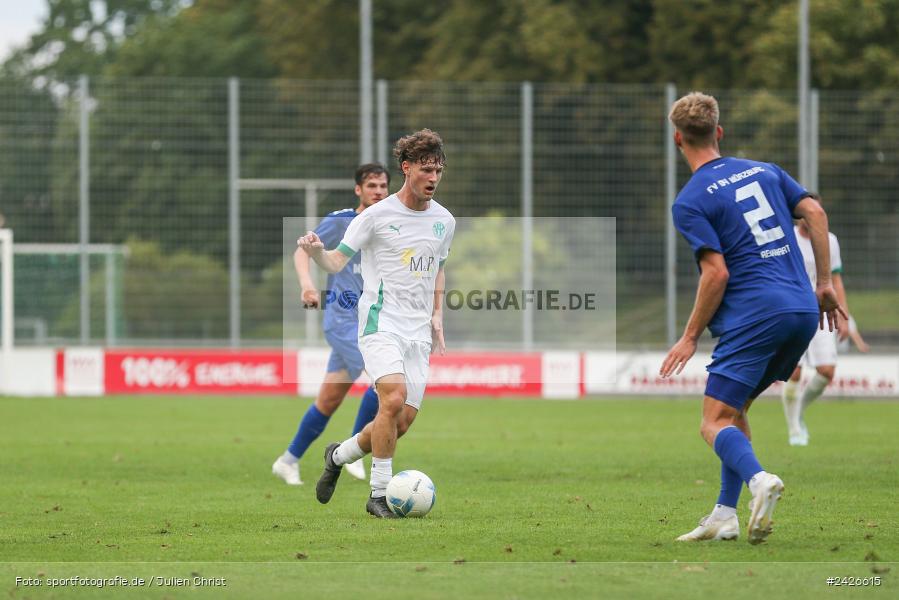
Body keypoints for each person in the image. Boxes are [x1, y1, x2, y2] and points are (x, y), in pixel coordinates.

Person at [660, 92, 845, 544]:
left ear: (677, 139)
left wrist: (689, 336)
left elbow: (716, 272)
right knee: (735, 409)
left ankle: (759, 479)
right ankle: (724, 515)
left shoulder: (691, 200)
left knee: (712, 421)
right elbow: (816, 213)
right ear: (719, 132)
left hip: (755, 315)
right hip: (801, 310)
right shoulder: (766, 171)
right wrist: (824, 283)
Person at [299, 129, 455, 518]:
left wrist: (438, 315)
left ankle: (339, 454)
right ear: (406, 168)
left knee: (399, 423)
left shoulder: (444, 221)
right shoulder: (376, 216)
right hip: (379, 323)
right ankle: (379, 494)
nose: (432, 178)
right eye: (425, 170)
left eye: (438, 170)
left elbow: (438, 270)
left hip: (418, 333)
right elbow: (336, 261)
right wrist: (317, 254)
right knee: (393, 398)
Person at [271, 163, 390, 486]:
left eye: (383, 186)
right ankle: (352, 449)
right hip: (342, 321)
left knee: (328, 400)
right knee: (384, 381)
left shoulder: (389, 223)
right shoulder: (341, 222)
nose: (378, 191)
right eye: (372, 186)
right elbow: (302, 251)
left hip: (371, 321)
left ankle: (288, 460)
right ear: (358, 190)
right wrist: (307, 284)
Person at [781, 193, 855, 446]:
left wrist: (844, 315)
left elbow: (836, 279)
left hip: (822, 311)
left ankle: (798, 413)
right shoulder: (787, 236)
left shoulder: (829, 240)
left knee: (826, 371)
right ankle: (793, 428)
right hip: (793, 310)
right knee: (794, 373)